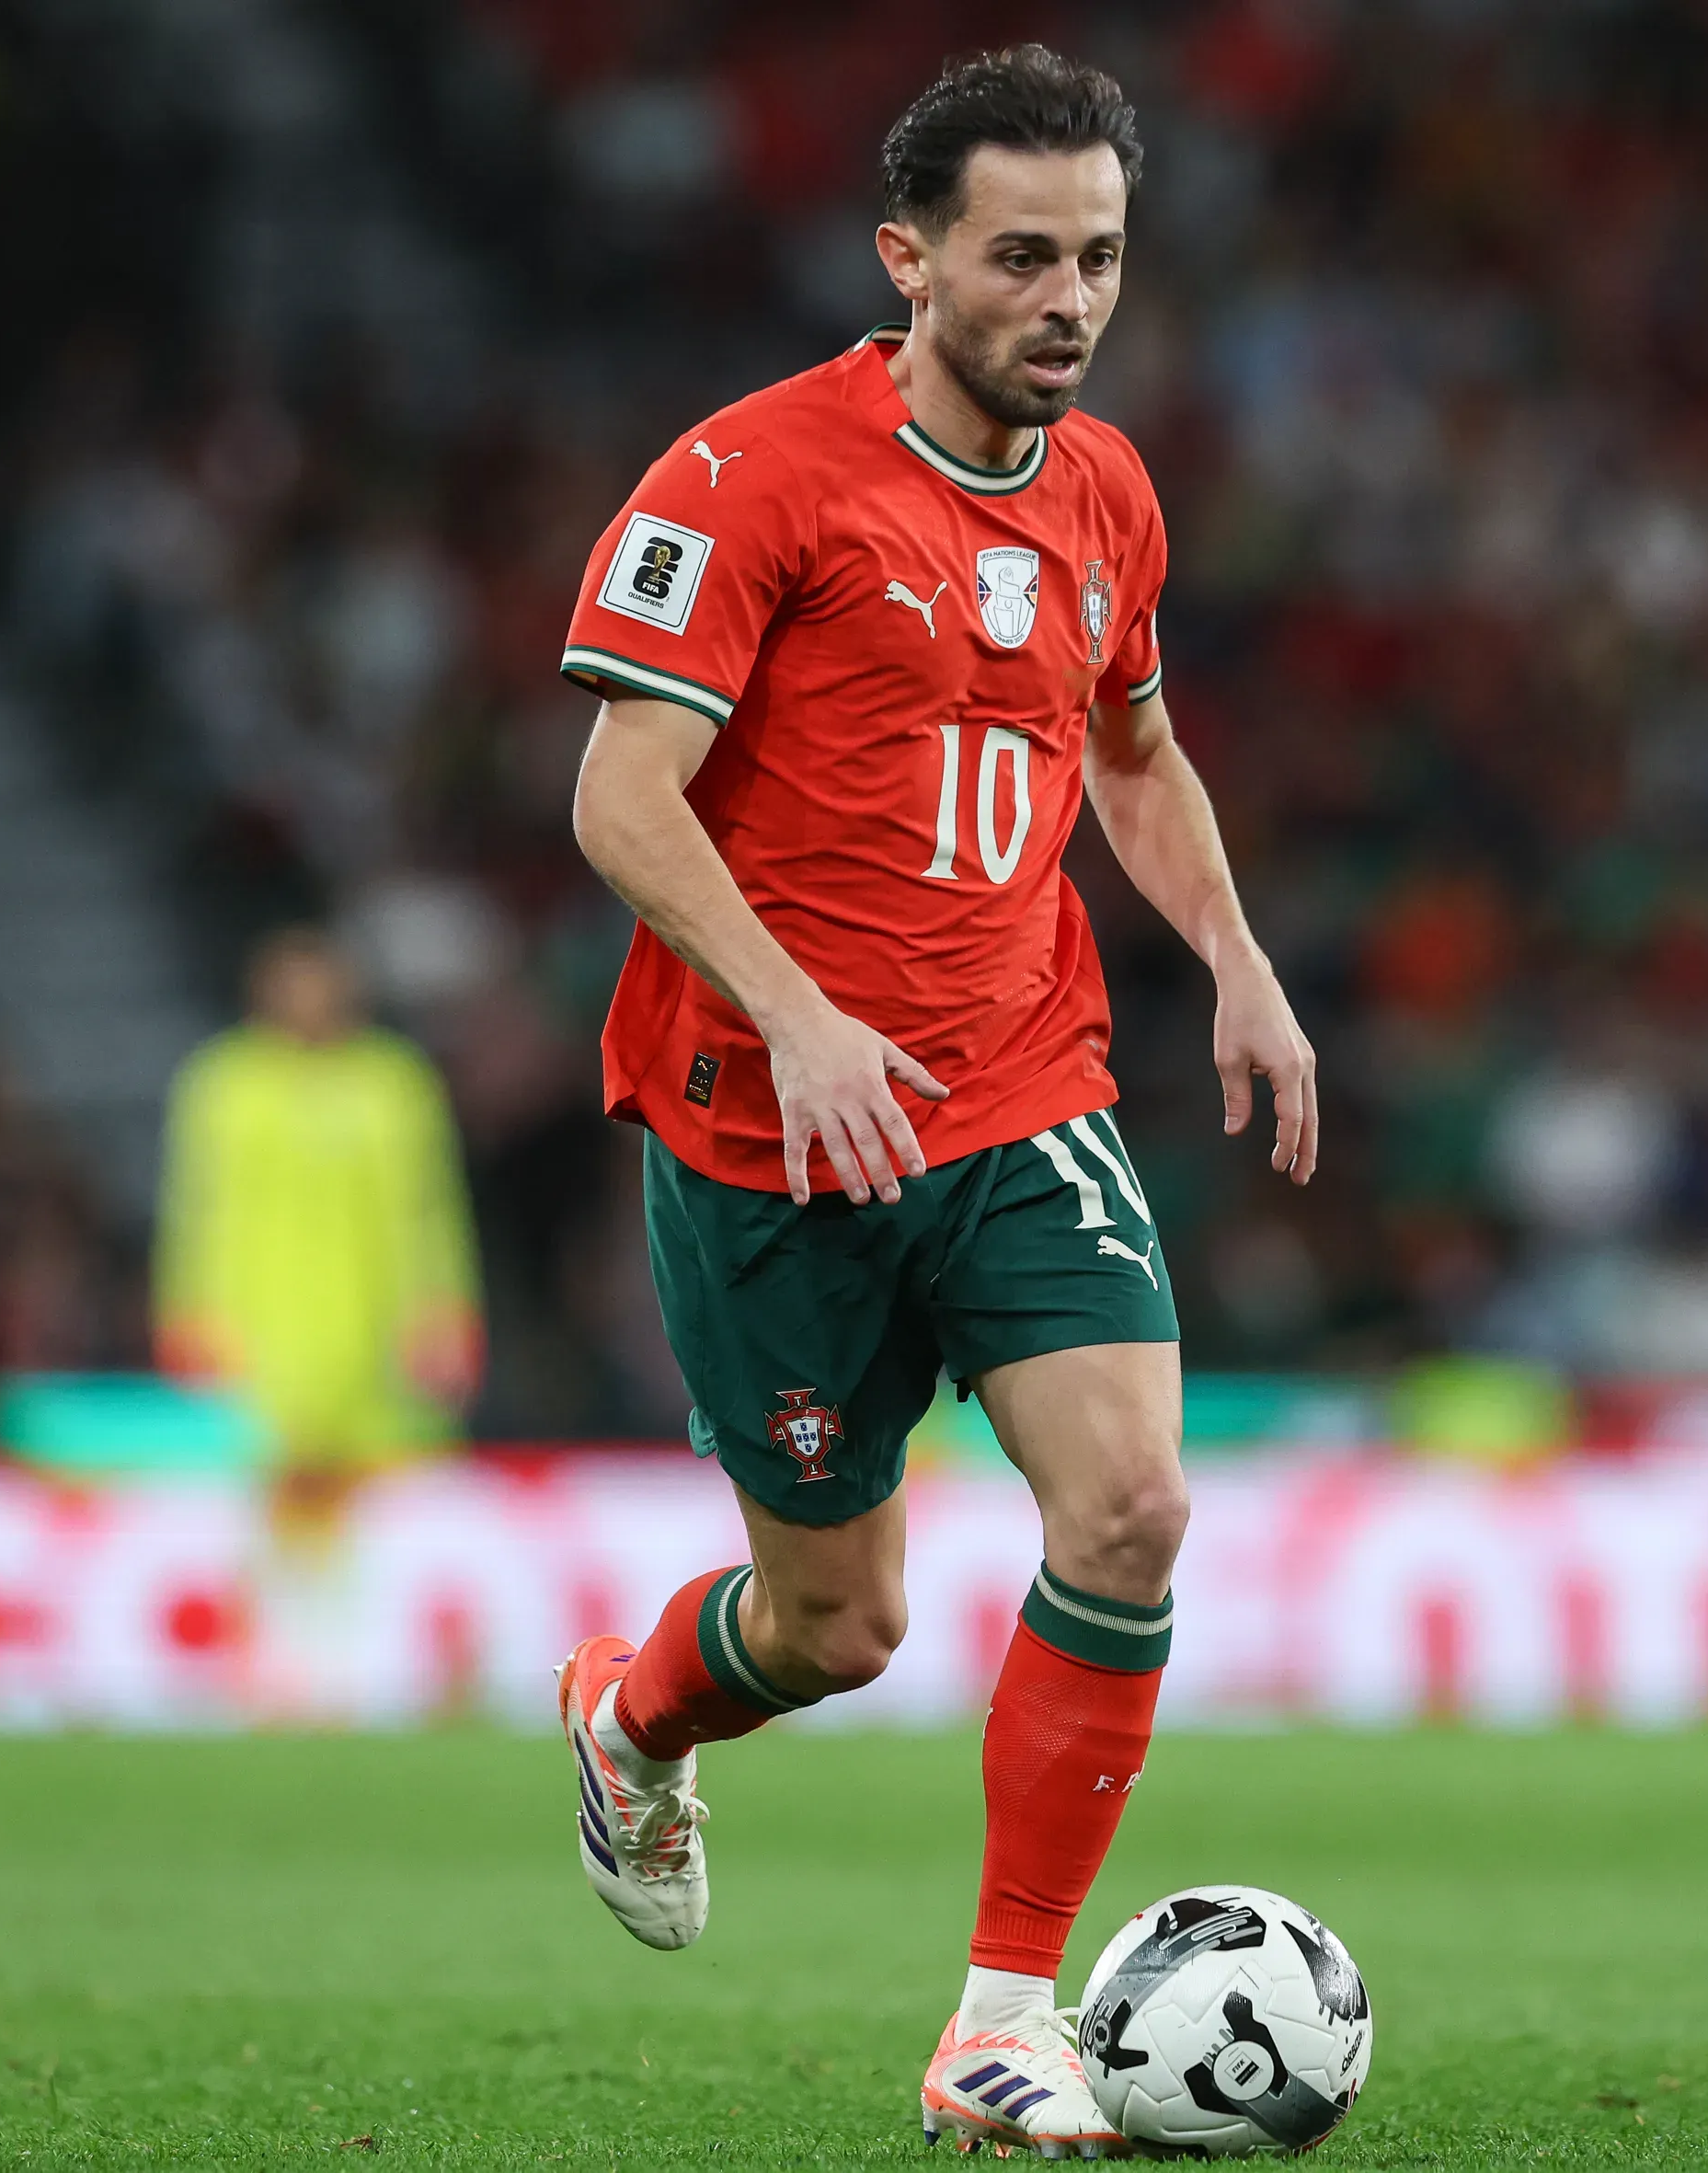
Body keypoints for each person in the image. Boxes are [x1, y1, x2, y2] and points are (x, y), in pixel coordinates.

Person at [555, 44, 1319, 2157]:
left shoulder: (1107, 492)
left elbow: (1132, 754)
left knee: (1133, 1505)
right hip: (764, 1126)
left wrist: (1234, 956)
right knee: (837, 1624)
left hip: (1016, 1085)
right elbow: (620, 792)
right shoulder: (746, 478)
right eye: (1020, 258)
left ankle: (1000, 2019)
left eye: (1099, 259)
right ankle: (634, 1719)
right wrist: (797, 1013)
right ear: (907, 258)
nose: (1068, 301)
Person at [152, 927, 482, 1715]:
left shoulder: (392, 1081)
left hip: (373, 1330)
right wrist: (185, 1312)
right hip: (259, 1332)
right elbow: (194, 1209)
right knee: (267, 1499)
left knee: (374, 1497)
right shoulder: (224, 1083)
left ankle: (366, 1665)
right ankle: (265, 1667)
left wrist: (446, 1309)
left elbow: (430, 1209)